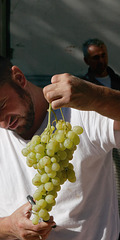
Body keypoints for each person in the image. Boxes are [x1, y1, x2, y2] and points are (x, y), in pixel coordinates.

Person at [0, 52, 120, 240]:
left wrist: (97, 96)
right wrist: (8, 226)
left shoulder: (82, 111)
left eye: (1, 106)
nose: (2, 123)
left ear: (19, 78)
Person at [82, 38, 120, 233]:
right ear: (87, 61)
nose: (101, 60)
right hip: (101, 144)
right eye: (95, 57)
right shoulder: (84, 87)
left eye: (103, 55)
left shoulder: (118, 81)